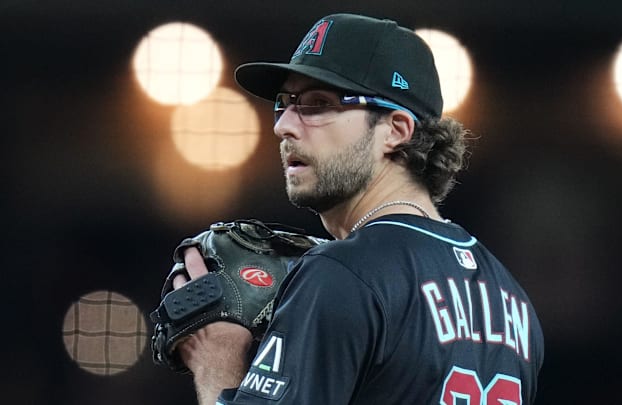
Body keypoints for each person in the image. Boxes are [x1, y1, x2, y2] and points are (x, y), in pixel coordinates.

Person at [172, 13, 544, 405]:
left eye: (318, 104)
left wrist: (218, 357)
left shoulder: (343, 273)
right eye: (285, 103)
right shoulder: (513, 300)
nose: (284, 126)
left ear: (397, 130)